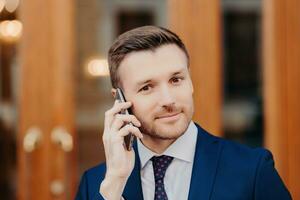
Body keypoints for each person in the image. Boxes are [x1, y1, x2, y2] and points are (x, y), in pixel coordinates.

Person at [75, 26, 291, 200]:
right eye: (147, 87)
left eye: (176, 80)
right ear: (119, 100)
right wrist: (114, 186)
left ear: (190, 82)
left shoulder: (252, 170)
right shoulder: (97, 185)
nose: (168, 100)